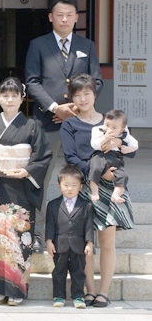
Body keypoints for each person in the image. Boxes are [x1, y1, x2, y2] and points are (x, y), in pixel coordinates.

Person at [25, 0, 103, 252]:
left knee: (83, 176)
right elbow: (32, 81)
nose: (65, 19)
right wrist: (56, 107)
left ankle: (85, 234)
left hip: (82, 125)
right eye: (60, 14)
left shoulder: (87, 45)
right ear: (50, 17)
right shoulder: (38, 44)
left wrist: (77, 109)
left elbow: (96, 81)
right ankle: (35, 234)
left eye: (70, 15)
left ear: (76, 17)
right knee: (41, 179)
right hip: (48, 122)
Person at [60, 73, 134, 308]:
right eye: (78, 95)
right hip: (85, 187)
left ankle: (104, 291)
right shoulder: (69, 124)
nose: (83, 98)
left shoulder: (111, 120)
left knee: (107, 241)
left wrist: (118, 144)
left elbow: (130, 150)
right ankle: (89, 290)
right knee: (86, 242)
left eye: (87, 93)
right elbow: (70, 156)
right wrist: (96, 171)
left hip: (111, 187)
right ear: (72, 98)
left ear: (94, 94)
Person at [0, 77, 51, 306]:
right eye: (5, 95)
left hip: (21, 189)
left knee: (19, 239)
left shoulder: (32, 126)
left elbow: (43, 155)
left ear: (22, 98)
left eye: (14, 95)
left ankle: (16, 288)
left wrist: (28, 171)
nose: (9, 99)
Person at [46, 165, 94, 309]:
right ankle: (59, 296)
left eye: (74, 185)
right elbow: (50, 225)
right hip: (59, 244)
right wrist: (49, 241)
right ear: (59, 186)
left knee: (78, 271)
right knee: (59, 271)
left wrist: (89, 243)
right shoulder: (53, 205)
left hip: (78, 245)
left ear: (81, 187)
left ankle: (78, 296)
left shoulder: (86, 205)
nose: (69, 188)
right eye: (66, 185)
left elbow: (89, 226)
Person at [89, 109, 137, 203]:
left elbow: (135, 144)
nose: (110, 129)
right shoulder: (97, 130)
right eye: (107, 125)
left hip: (116, 158)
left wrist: (127, 149)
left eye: (114, 127)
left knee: (123, 175)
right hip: (101, 155)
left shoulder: (123, 134)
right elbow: (94, 145)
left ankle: (116, 194)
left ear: (122, 128)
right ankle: (94, 191)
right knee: (96, 168)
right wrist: (104, 138)